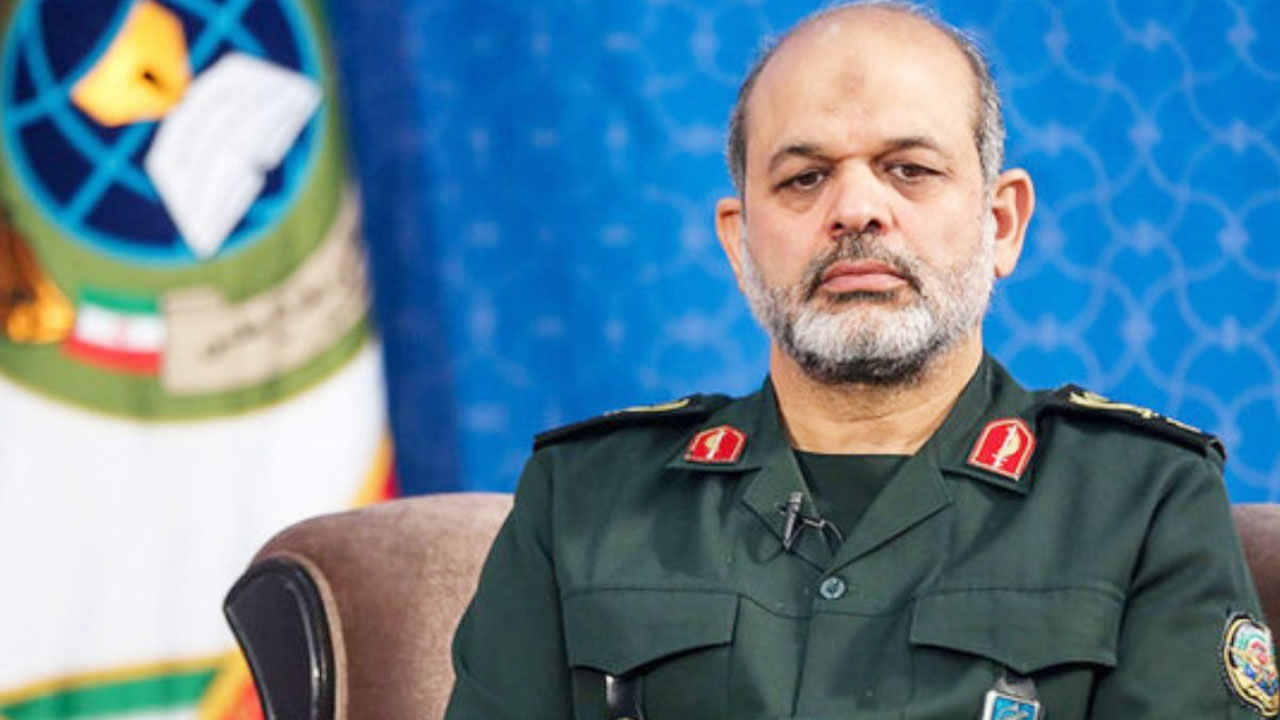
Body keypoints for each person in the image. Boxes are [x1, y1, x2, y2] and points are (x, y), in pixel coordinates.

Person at [444, 2, 1279, 719]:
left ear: (1001, 224)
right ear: (739, 242)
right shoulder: (581, 499)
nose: (855, 209)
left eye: (908, 169)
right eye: (804, 179)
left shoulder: (1143, 499)